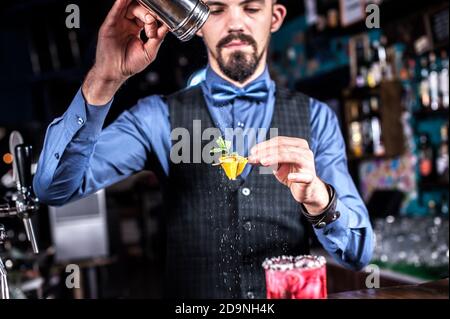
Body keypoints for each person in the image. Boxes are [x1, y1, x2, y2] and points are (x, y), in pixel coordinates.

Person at [34, 0, 374, 299]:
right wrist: (104, 79)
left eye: (252, 8)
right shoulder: (157, 117)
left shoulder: (317, 119)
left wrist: (319, 198)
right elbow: (54, 188)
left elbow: (358, 253)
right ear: (196, 22)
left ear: (275, 17)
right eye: (216, 9)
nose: (236, 23)